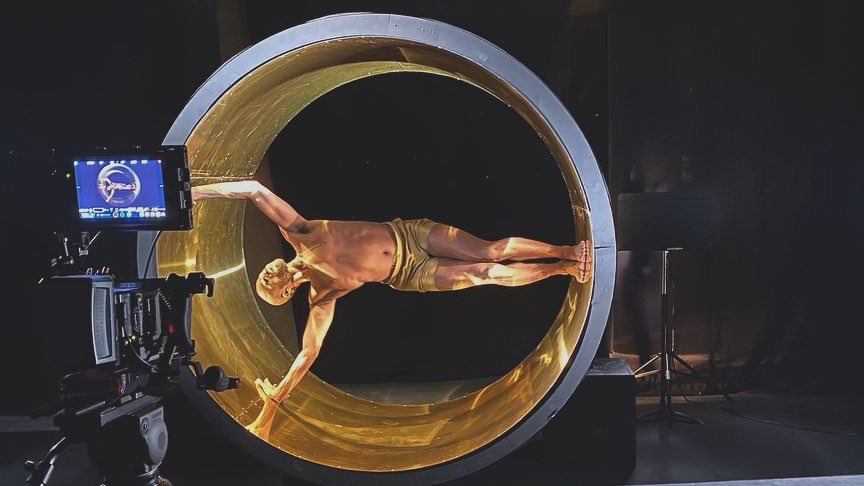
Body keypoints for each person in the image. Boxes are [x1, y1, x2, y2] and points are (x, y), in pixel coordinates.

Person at [192, 180, 593, 440]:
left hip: (409, 232)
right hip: (411, 273)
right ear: (282, 294)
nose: (269, 276)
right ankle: (563, 269)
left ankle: (565, 251)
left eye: (264, 275)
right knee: (486, 273)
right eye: (270, 286)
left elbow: (253, 189)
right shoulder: (322, 295)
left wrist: (194, 193)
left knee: (488, 250)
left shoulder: (300, 231)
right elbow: (308, 354)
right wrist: (272, 407)